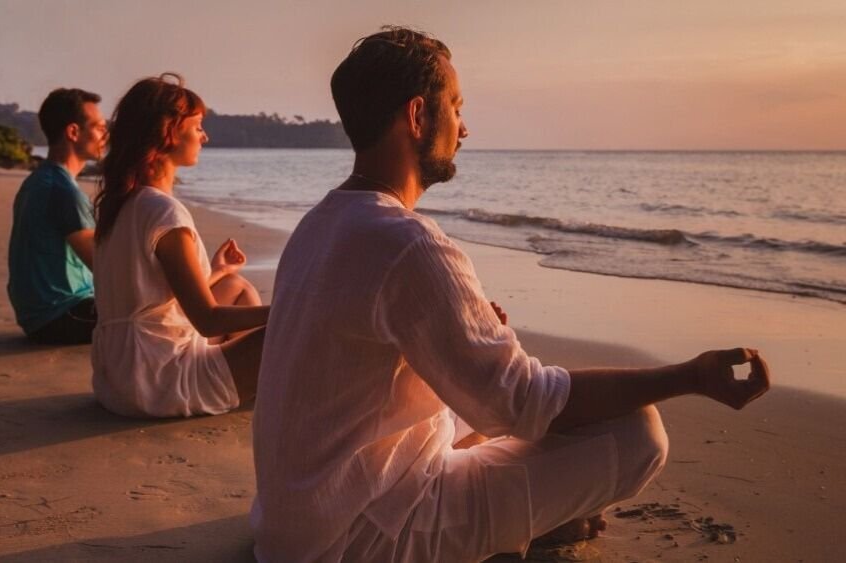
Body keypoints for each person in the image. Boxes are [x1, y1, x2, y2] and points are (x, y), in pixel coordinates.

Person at [251, 27, 771, 562]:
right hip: (362, 538)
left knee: (482, 407)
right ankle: (523, 527)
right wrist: (690, 376)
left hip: (295, 521)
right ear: (417, 117)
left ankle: (522, 519)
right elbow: (523, 403)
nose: (465, 127)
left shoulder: (319, 224)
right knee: (639, 432)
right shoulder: (408, 243)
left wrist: (469, 337)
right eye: (454, 107)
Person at [90, 74, 267, 418]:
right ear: (168, 132)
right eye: (198, 125)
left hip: (118, 378)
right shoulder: (163, 211)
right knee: (297, 325)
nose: (205, 136)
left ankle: (255, 382)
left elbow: (147, 298)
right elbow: (207, 320)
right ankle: (261, 385)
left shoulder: (121, 204)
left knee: (235, 285)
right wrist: (293, 307)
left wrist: (215, 271)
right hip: (159, 382)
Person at [7, 88, 106, 344]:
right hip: (59, 315)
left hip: (41, 314)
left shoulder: (39, 180)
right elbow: (104, 266)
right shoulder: (61, 190)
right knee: (159, 315)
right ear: (73, 132)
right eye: (99, 127)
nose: (105, 135)